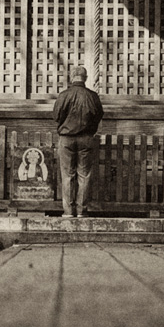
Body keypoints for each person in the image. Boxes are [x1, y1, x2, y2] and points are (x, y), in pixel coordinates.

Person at [53, 66, 104, 218]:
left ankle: (68, 211)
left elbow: (56, 116)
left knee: (67, 175)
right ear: (86, 78)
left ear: (71, 77)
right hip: (86, 138)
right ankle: (82, 211)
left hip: (67, 138)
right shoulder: (92, 96)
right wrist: (90, 129)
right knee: (84, 175)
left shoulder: (64, 95)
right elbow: (99, 115)